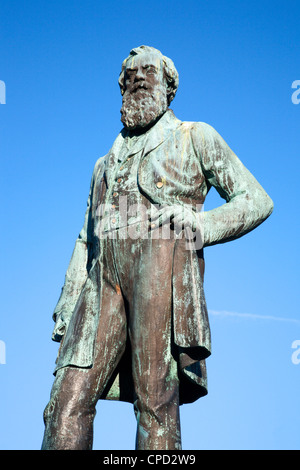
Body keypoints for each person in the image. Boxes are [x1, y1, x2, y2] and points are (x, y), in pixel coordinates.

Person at [42, 45, 273, 450]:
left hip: (160, 263)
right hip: (101, 280)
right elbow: (86, 238)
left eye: (147, 72)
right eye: (129, 75)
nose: (136, 78)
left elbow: (256, 200)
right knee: (65, 399)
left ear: (169, 87)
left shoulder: (195, 136)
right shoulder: (103, 165)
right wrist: (68, 298)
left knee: (155, 398)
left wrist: (203, 223)